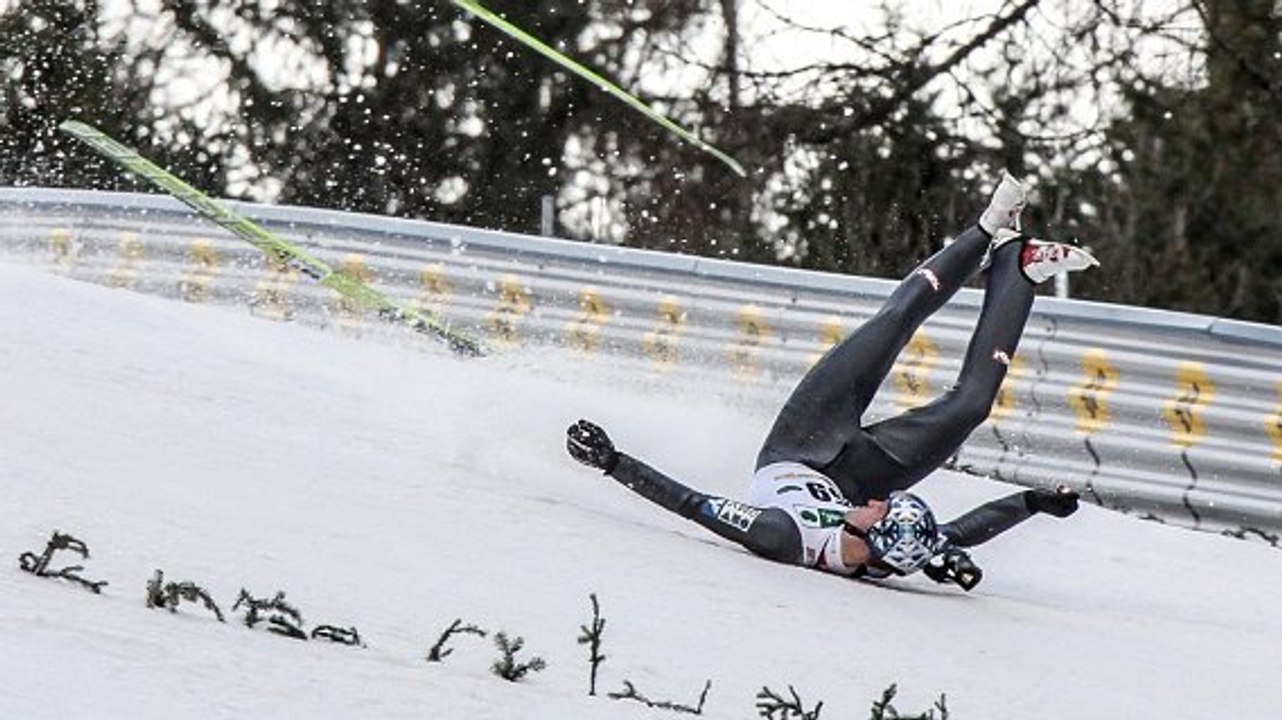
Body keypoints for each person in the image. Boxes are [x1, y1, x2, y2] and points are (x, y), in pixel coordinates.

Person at [566, 173, 1091, 590]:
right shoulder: (896, 548)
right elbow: (963, 531)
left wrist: (612, 462)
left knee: (889, 327)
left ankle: (983, 229)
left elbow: (693, 504)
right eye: (885, 504)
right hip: (856, 472)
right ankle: (1015, 266)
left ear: (863, 536)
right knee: (971, 407)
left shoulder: (783, 536)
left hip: (799, 444)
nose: (878, 504)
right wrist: (1033, 503)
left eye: (878, 510)